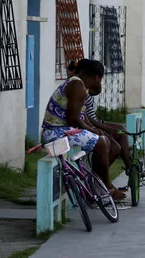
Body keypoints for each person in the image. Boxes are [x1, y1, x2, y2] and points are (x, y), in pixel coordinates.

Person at [41, 59, 124, 200]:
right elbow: (73, 119)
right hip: (55, 133)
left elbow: (82, 116)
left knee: (105, 141)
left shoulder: (79, 84)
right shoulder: (77, 86)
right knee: (101, 143)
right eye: (100, 80)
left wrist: (95, 129)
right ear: (96, 77)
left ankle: (95, 186)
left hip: (64, 130)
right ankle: (106, 186)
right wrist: (92, 131)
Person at [67, 61, 133, 176]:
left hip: (91, 122)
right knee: (113, 146)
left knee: (120, 130)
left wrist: (96, 79)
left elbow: (97, 91)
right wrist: (103, 128)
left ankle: (129, 167)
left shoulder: (84, 86)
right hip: (90, 123)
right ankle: (98, 179)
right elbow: (81, 117)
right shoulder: (76, 86)